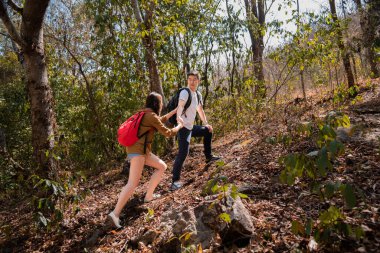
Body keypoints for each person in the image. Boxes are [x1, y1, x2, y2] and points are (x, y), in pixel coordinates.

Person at [108, 92, 183, 228]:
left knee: (162, 166)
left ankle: (148, 196)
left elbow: (159, 120)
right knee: (132, 183)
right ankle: (115, 213)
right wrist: (179, 127)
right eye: (160, 102)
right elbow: (167, 132)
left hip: (140, 151)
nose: (161, 105)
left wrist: (174, 111)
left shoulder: (144, 114)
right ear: (156, 104)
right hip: (138, 152)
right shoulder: (150, 116)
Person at [171, 70, 220, 191]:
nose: (192, 82)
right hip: (183, 128)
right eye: (190, 79)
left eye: (194, 79)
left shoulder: (197, 94)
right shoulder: (184, 92)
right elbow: (181, 105)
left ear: (198, 81)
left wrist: (206, 124)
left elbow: (200, 110)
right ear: (187, 81)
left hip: (191, 127)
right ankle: (175, 181)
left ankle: (209, 156)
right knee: (183, 153)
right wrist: (178, 118)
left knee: (208, 130)